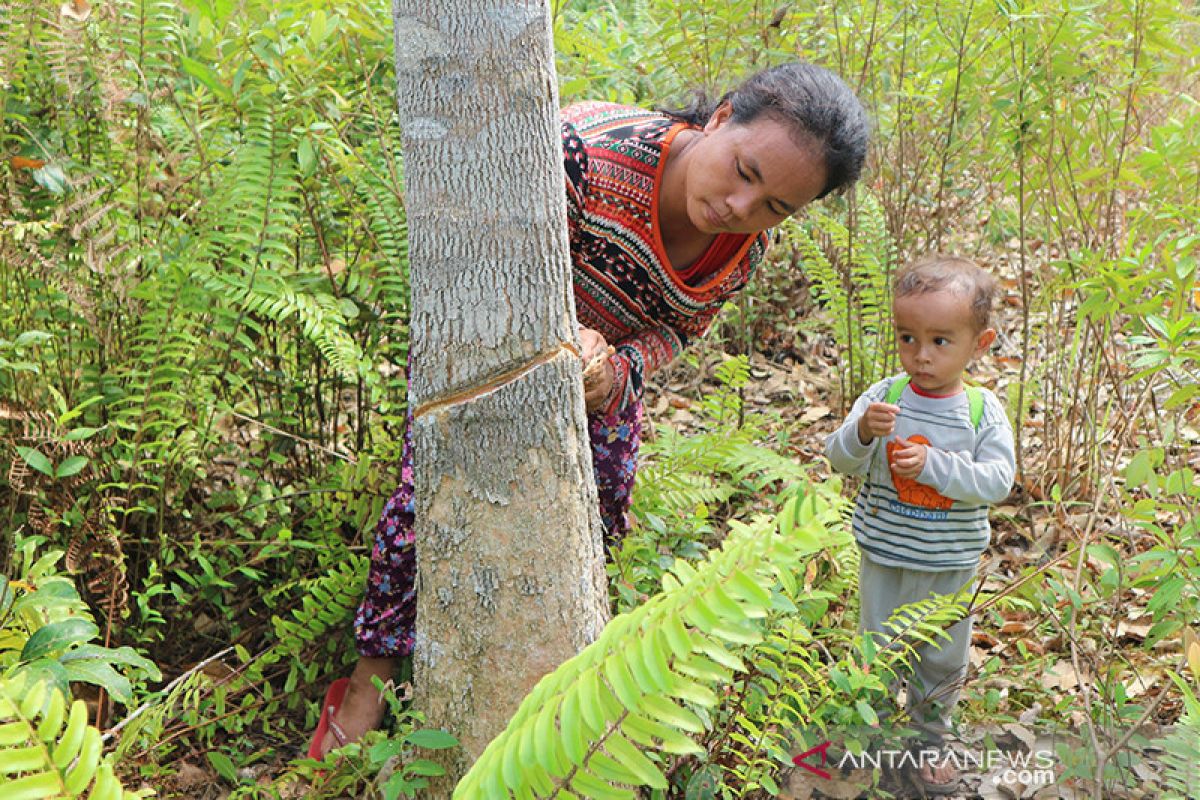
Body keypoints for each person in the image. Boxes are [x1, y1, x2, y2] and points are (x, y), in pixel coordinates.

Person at [310, 61, 870, 757]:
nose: (739, 207)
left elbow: (677, 332)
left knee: (590, 521)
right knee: (426, 505)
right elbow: (485, 267)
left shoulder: (744, 249)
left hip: (600, 383)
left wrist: (617, 372)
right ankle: (371, 680)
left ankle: (537, 694)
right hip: (484, 353)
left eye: (774, 206)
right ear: (722, 119)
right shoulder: (582, 154)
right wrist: (552, 341)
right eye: (744, 171)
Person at [823, 256, 1016, 795]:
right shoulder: (884, 397)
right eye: (908, 338)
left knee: (941, 656)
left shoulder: (981, 411)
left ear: (980, 344)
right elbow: (838, 459)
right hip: (884, 553)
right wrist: (861, 432)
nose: (921, 355)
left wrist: (934, 468)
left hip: (947, 564)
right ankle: (874, 736)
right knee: (876, 650)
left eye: (940, 341)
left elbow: (998, 481)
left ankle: (931, 741)